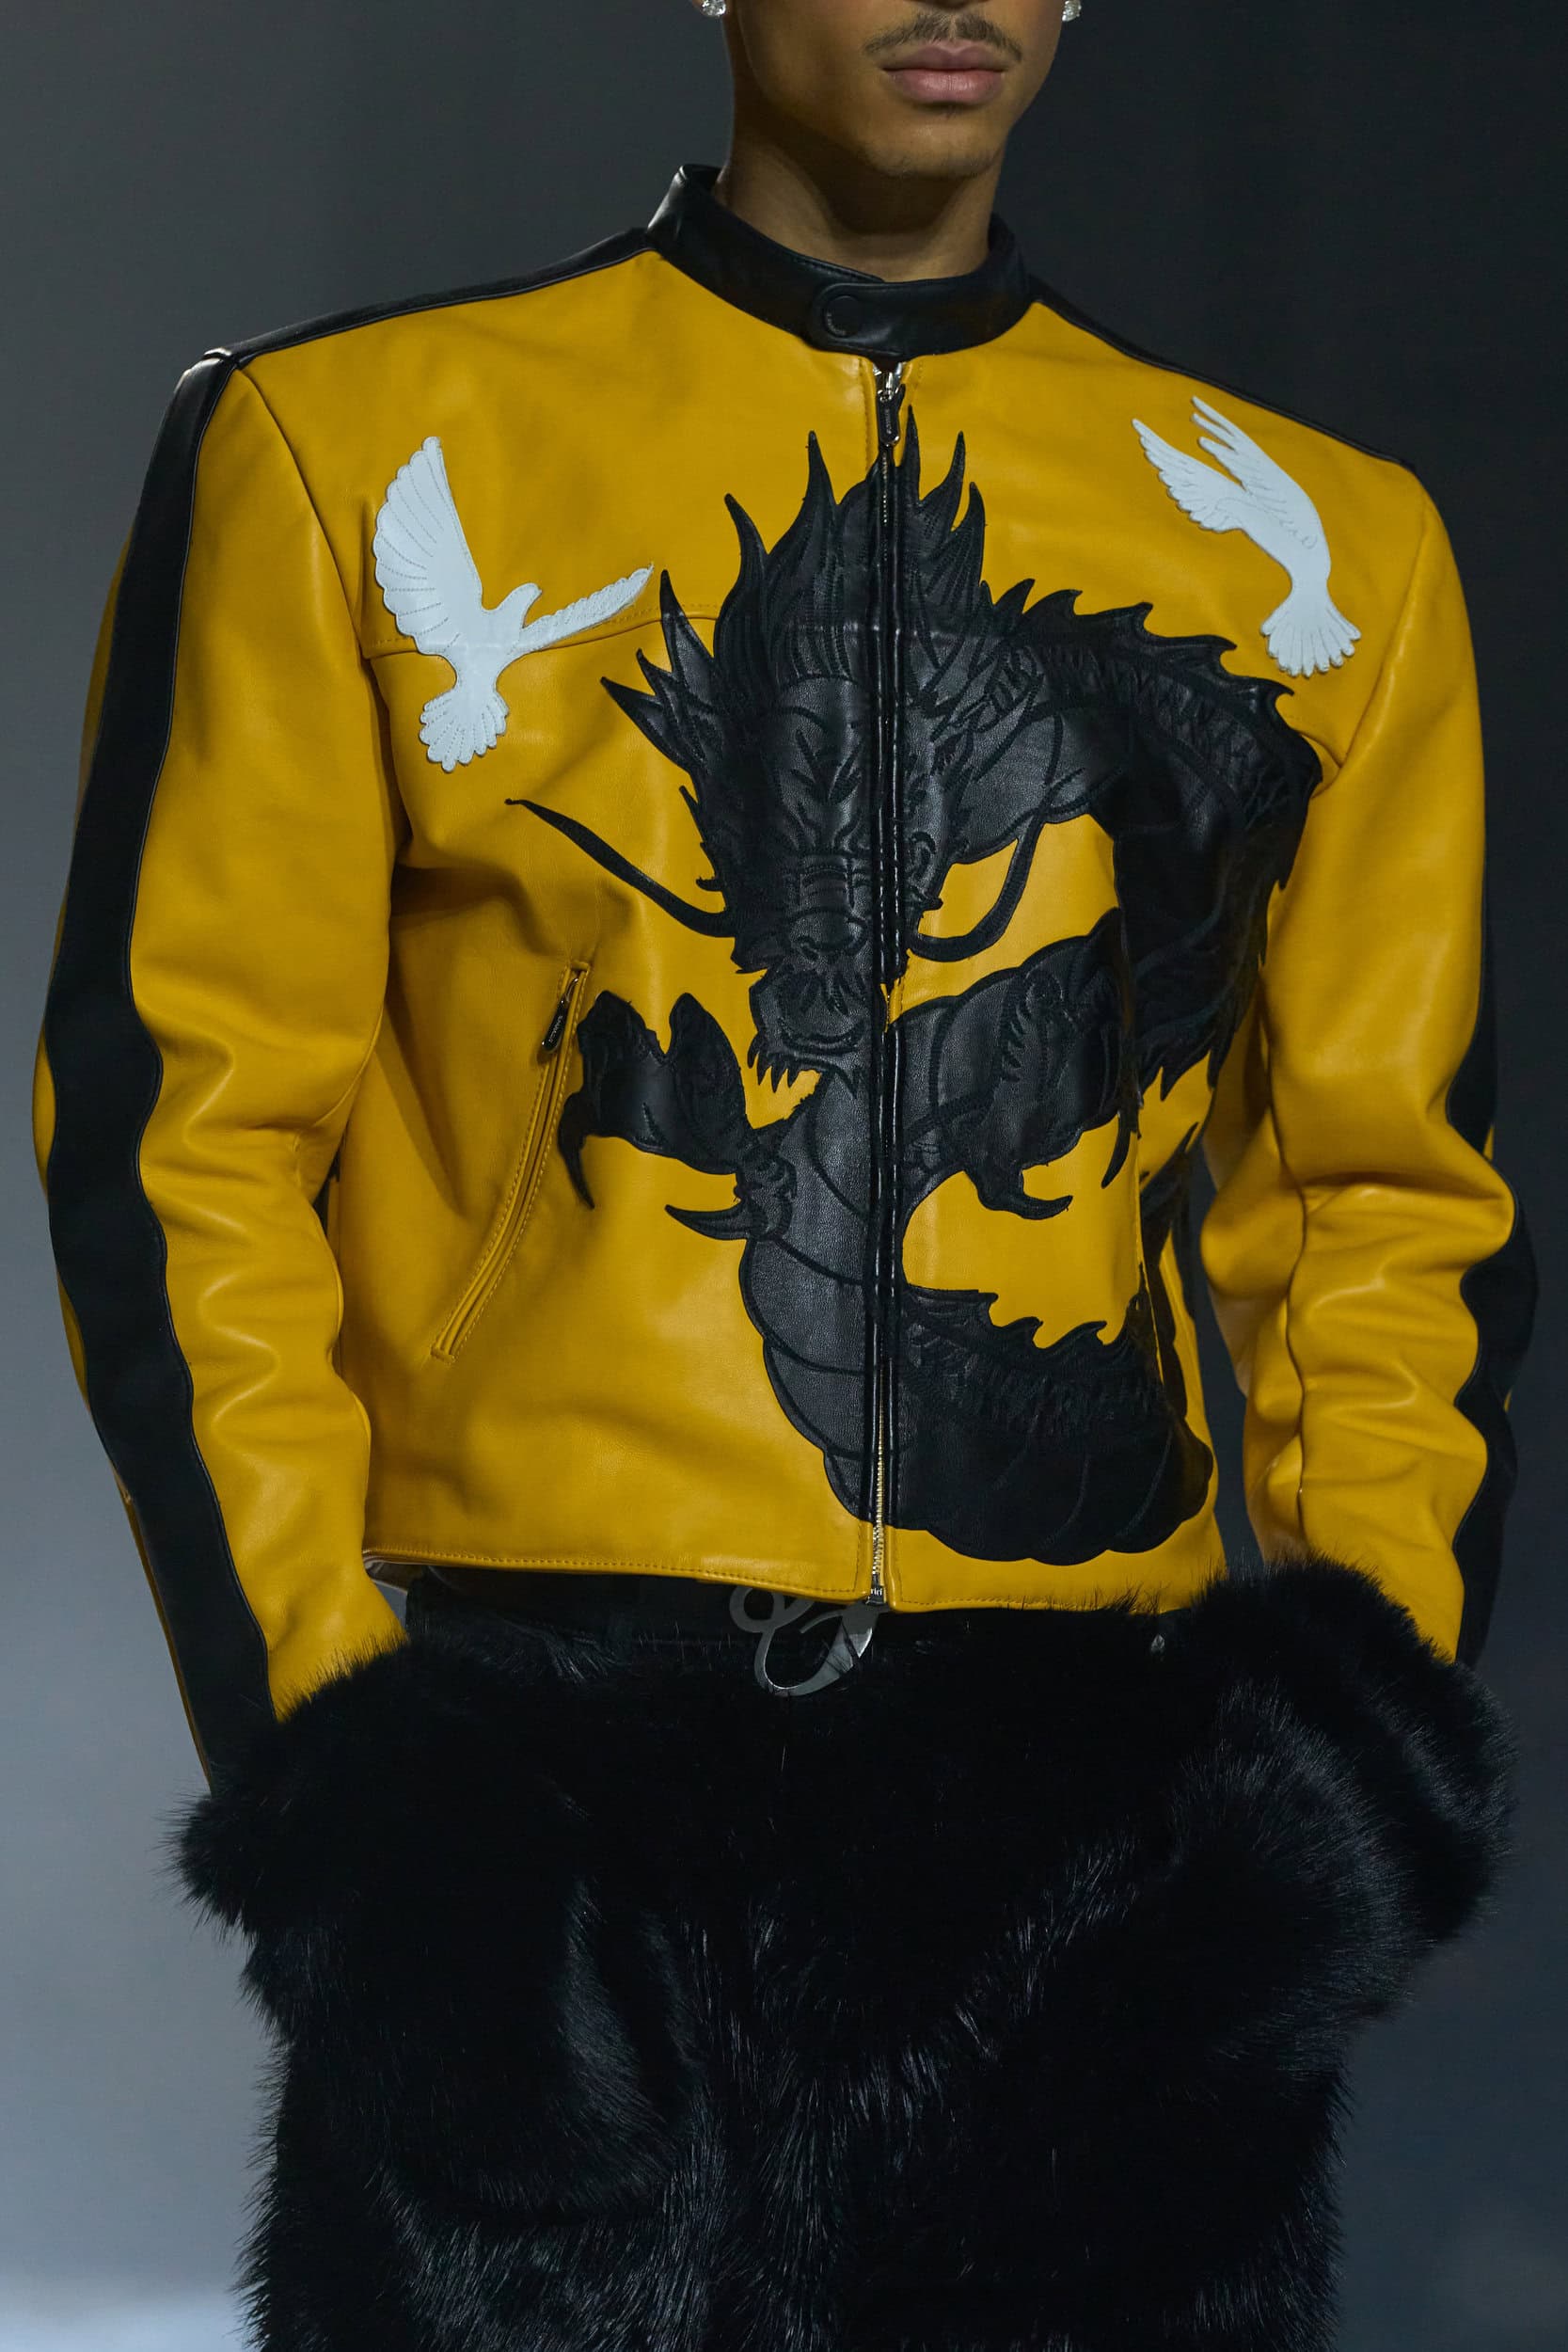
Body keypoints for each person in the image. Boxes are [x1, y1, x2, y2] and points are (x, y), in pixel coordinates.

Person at [34, 2, 1537, 2345]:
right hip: (546, 1822)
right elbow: (179, 1139)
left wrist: (1338, 1803)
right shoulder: (353, 450)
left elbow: (1382, 1205)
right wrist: (360, 1800)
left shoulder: (1323, 545)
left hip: (1101, 1872)